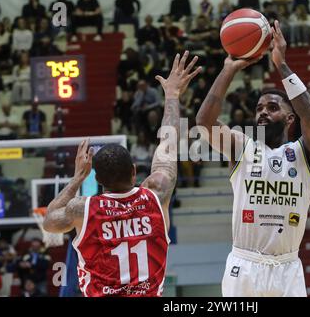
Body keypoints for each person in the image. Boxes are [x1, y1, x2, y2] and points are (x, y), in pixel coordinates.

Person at [43, 51, 201, 297]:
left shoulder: (81, 209)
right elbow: (168, 144)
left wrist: (76, 178)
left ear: (96, 180)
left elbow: (50, 220)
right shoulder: (156, 194)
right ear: (134, 171)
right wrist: (172, 95)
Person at [196, 20, 310, 297]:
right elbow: (203, 121)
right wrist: (228, 70)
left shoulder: (306, 154)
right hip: (245, 265)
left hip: (288, 268)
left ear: (290, 118)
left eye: (272, 107)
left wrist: (282, 65)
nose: (262, 112)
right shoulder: (242, 146)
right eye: (259, 108)